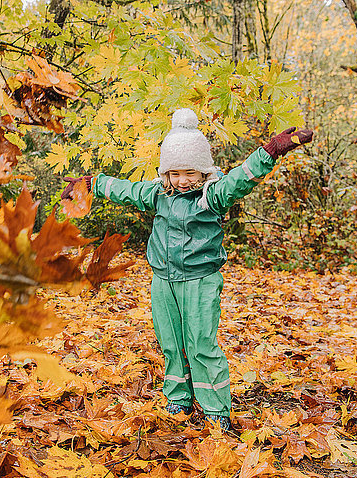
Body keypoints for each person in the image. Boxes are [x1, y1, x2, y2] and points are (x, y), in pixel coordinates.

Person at [61, 108, 313, 430]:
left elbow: (241, 179)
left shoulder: (213, 196)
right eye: (175, 173)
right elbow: (124, 190)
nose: (182, 181)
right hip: (163, 280)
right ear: (165, 173)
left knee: (201, 342)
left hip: (200, 279)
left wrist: (271, 151)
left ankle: (215, 407)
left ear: (203, 170)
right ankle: (178, 397)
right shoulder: (158, 194)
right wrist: (91, 183)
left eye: (190, 173)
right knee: (170, 341)